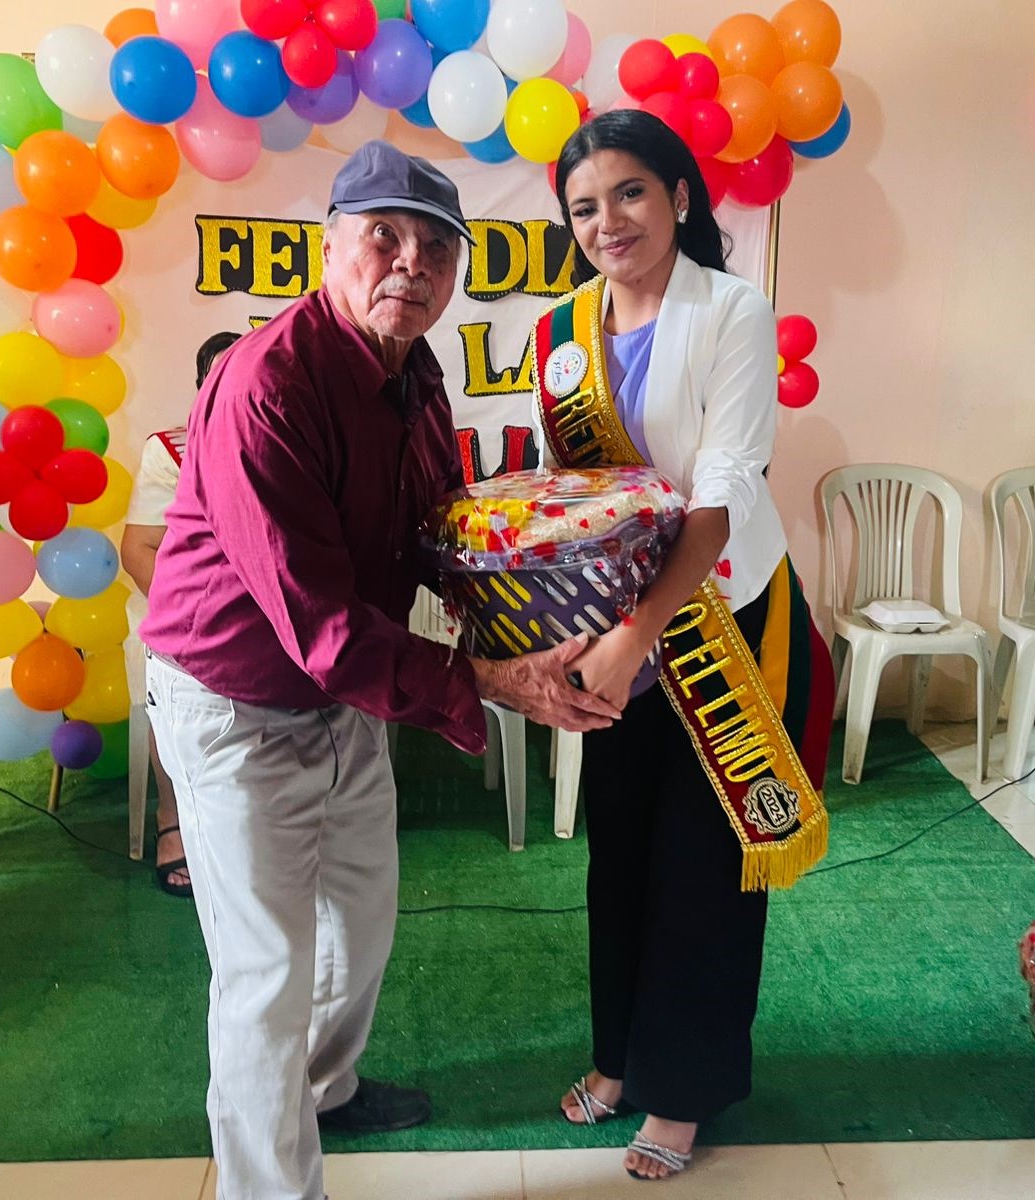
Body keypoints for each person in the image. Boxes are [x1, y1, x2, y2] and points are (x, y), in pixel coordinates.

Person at [140, 141, 621, 1200]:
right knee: (265, 974)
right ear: (329, 248)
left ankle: (326, 1089)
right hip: (235, 699)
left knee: (357, 926)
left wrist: (534, 597)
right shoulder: (266, 384)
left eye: (435, 248)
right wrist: (494, 680)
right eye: (383, 238)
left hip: (344, 692)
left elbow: (427, 527)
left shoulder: (416, 371)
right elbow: (315, 622)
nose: (410, 264)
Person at [530, 111, 835, 1182]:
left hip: (721, 621)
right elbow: (567, 492)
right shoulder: (561, 331)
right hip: (613, 626)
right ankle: (619, 1056)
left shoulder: (732, 310)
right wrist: (577, 623)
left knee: (704, 862)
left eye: (628, 193)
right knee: (618, 844)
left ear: (678, 197)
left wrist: (637, 632)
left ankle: (682, 1090)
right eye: (583, 207)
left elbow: (725, 486)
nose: (606, 222)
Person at [120, 331, 241, 897]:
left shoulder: (295, 438)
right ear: (201, 386)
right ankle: (172, 817)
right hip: (185, 617)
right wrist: (201, 624)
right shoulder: (170, 449)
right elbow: (138, 549)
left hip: (269, 618)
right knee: (173, 684)